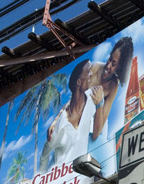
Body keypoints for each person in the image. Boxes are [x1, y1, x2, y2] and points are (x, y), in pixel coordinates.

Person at [39, 59, 102, 171]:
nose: (91, 73)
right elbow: (44, 155)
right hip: (62, 183)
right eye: (88, 71)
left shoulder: (94, 98)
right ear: (79, 82)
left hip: (88, 175)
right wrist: (41, 180)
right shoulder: (60, 126)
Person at [87, 36, 134, 176]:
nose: (108, 66)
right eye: (109, 59)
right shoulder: (94, 67)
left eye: (114, 64)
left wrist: (99, 103)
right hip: (83, 122)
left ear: (120, 67)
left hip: (97, 124)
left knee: (108, 163)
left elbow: (98, 131)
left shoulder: (114, 85)